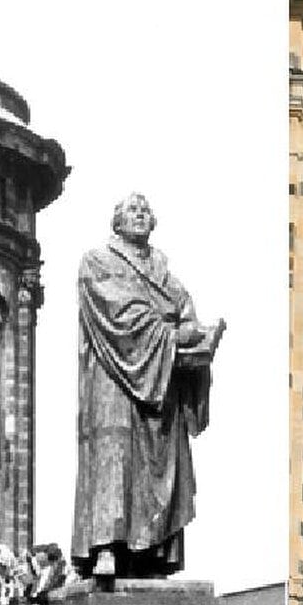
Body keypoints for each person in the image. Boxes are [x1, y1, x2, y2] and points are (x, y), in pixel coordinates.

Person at [71, 192, 224, 580]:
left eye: (145, 211)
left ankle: (153, 552)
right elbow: (119, 316)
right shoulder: (98, 261)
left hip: (160, 379)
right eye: (132, 211)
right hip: (113, 376)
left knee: (159, 463)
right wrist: (174, 333)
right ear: (117, 222)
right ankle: (106, 546)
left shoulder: (162, 271)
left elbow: (184, 311)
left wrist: (195, 335)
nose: (140, 217)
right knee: (114, 456)